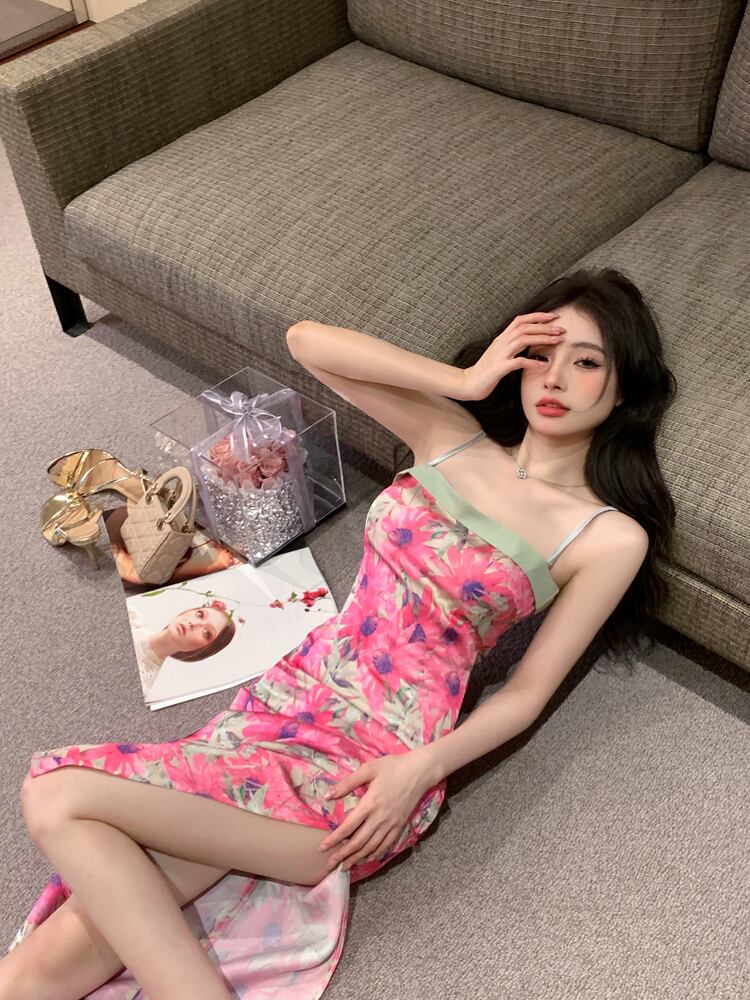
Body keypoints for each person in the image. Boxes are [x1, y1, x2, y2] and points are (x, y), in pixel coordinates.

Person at [1, 266, 675, 1000]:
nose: (555, 378)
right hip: (282, 705)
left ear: (623, 388)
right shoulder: (452, 438)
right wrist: (464, 379)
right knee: (38, 969)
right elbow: (306, 342)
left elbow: (526, 693)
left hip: (376, 763)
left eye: (586, 362)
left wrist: (420, 772)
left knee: (55, 794)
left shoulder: (607, 536)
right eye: (539, 353)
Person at [127, 604, 237, 696]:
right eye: (200, 614)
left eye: (206, 633)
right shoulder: (130, 616)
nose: (194, 624)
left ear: (203, 649)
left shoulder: (147, 687)